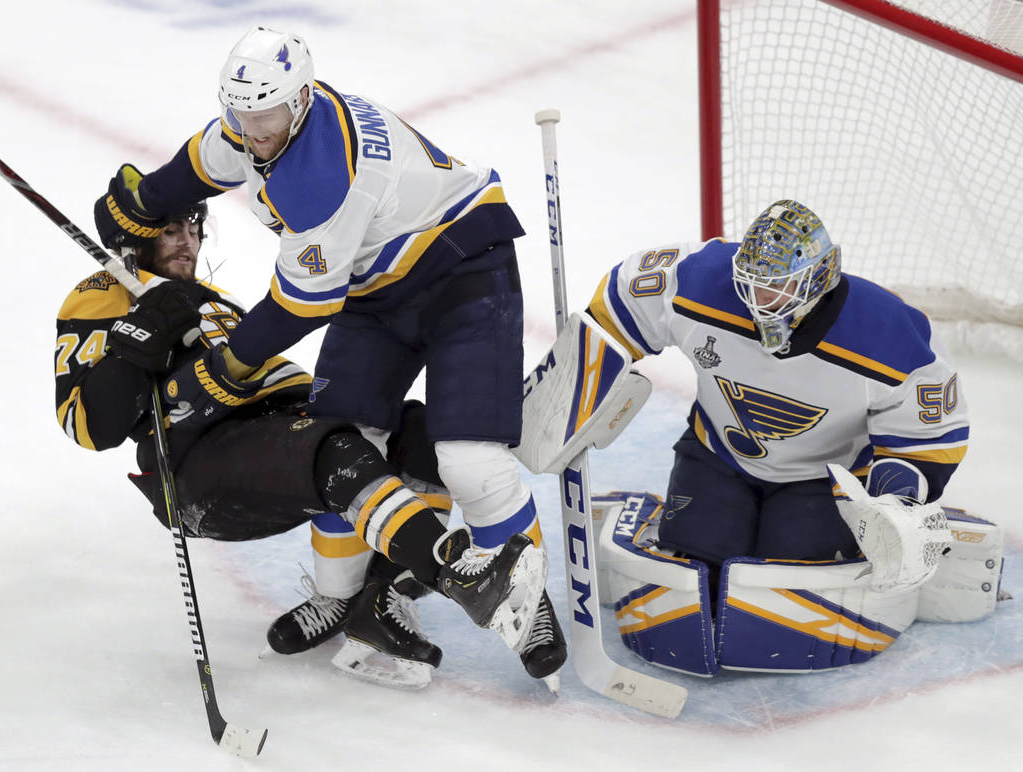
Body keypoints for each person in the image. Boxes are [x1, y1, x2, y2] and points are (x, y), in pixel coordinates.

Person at [91, 25, 565, 684]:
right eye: (243, 113)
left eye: (268, 114)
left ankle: (526, 598)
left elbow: (301, 305)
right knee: (341, 444)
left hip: (464, 273)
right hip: (375, 290)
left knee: (469, 458)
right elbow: (196, 166)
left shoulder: (321, 177)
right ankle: (341, 598)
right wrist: (140, 204)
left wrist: (224, 370)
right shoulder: (252, 122)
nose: (254, 129)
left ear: (303, 98)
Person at [55, 203, 545, 689]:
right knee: (332, 451)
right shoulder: (102, 294)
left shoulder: (206, 295)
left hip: (277, 429)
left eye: (192, 228)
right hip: (197, 469)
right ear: (134, 241)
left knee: (418, 433)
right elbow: (88, 427)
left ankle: (373, 599)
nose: (187, 241)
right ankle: (457, 573)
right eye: (170, 230)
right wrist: (135, 344)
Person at [584, 199, 970, 576]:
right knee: (696, 567)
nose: (758, 300)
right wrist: (576, 379)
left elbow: (928, 439)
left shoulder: (888, 333)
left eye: (776, 287)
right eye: (750, 283)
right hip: (719, 455)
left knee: (786, 578)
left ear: (818, 277)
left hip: (825, 479)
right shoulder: (701, 282)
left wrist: (894, 502)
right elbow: (620, 305)